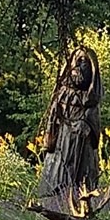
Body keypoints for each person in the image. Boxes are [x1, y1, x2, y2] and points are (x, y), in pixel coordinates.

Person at [38, 46, 103, 210]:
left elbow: (94, 125)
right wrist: (50, 139)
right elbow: (53, 119)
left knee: (82, 184)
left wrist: (85, 126)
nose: (78, 66)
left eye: (83, 62)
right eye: (76, 61)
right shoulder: (62, 93)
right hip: (60, 146)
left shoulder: (91, 98)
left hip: (81, 148)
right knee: (56, 180)